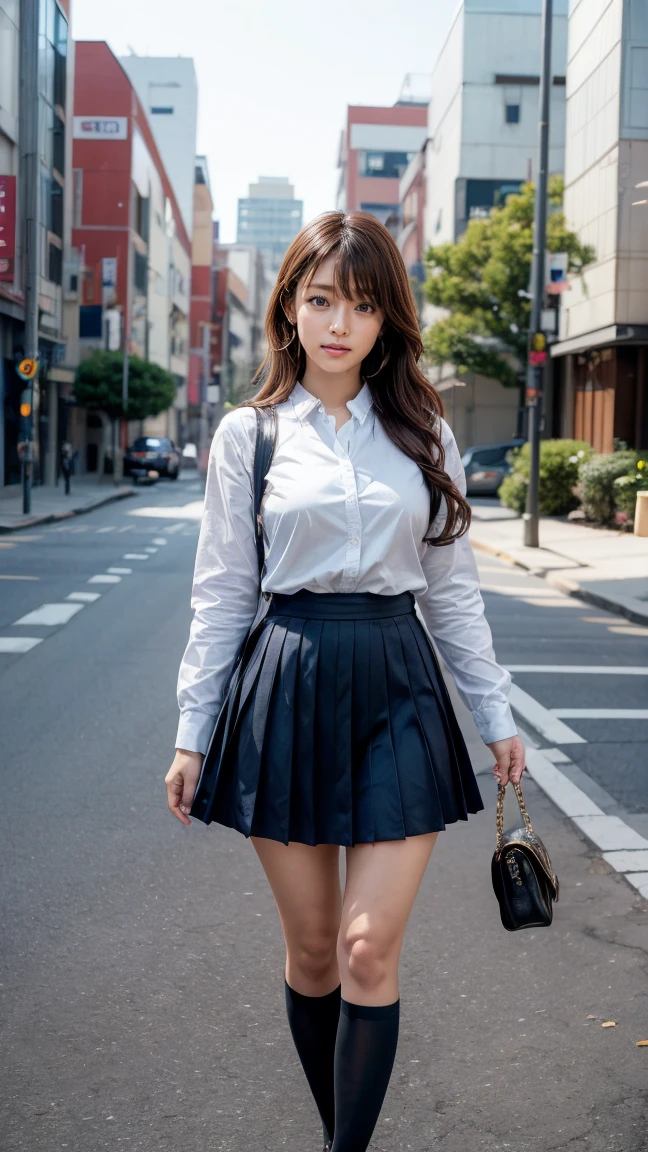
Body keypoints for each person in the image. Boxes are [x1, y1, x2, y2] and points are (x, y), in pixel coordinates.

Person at [165, 211, 525, 1152]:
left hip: (399, 686)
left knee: (370, 950)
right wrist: (192, 732)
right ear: (289, 307)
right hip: (285, 684)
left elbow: (452, 593)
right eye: (321, 300)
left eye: (362, 306)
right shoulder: (250, 438)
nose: (339, 323)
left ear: (385, 321)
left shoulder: (423, 433)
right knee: (318, 953)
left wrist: (495, 717)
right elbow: (221, 595)